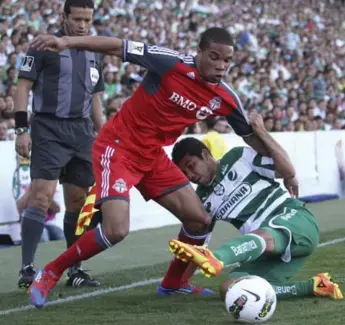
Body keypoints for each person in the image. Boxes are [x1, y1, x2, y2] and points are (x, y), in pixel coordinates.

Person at [28, 27, 276, 308]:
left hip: (152, 157)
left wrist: (285, 167)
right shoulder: (171, 63)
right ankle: (51, 270)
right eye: (214, 57)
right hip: (118, 147)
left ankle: (173, 284)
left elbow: (251, 136)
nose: (220, 65)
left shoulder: (226, 98)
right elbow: (117, 46)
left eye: (227, 60)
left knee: (200, 221)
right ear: (200, 52)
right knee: (116, 230)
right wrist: (66, 41)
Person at [168, 113, 343, 301]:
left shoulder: (237, 157)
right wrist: (180, 280)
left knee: (264, 234)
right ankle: (316, 285)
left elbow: (287, 171)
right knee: (231, 289)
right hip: (268, 249)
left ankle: (219, 257)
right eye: (184, 172)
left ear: (204, 155)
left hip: (295, 221)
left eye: (191, 166)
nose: (190, 175)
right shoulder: (202, 200)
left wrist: (261, 131)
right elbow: (200, 244)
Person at [14, 0, 104, 288]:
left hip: (82, 133)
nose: (82, 25)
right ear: (64, 16)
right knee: (41, 196)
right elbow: (22, 87)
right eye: (77, 19)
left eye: (87, 20)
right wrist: (20, 130)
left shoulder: (95, 49)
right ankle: (27, 268)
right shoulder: (43, 45)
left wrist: (104, 136)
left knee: (77, 202)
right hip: (48, 128)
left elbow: (96, 100)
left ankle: (74, 269)